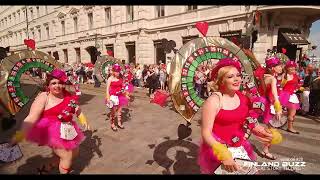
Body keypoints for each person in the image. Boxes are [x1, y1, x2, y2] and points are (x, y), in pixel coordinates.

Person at [198, 58, 276, 174]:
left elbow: (249, 122)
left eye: (238, 75)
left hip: (239, 147)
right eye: (230, 77)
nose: (236, 79)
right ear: (221, 81)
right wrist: (223, 154)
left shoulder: (243, 98)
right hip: (219, 150)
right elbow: (206, 133)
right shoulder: (213, 101)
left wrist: (262, 131)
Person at [10, 69, 90, 174]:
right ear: (48, 85)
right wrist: (20, 135)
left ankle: (44, 168)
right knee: (67, 156)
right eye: (54, 83)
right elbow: (31, 118)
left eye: (60, 83)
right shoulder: (44, 97)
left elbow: (77, 110)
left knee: (74, 153)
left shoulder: (68, 95)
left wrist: (83, 120)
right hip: (51, 131)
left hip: (68, 129)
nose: (57, 86)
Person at [255, 57, 283, 160]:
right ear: (272, 68)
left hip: (258, 101)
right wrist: (278, 108)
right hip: (266, 103)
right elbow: (275, 95)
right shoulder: (272, 78)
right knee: (271, 129)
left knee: (248, 125)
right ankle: (265, 151)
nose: (281, 68)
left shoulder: (261, 75)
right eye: (279, 66)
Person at [279, 61, 302, 134]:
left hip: (293, 95)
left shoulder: (295, 75)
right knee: (291, 113)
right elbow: (281, 86)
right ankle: (290, 127)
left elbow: (299, 83)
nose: (292, 68)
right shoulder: (285, 75)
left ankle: (289, 126)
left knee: (292, 114)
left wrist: (298, 87)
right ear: (287, 68)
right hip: (286, 95)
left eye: (293, 66)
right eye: (290, 66)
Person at [105, 64, 129, 131]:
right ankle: (112, 124)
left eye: (118, 71)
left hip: (120, 96)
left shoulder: (121, 78)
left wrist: (125, 94)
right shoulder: (110, 78)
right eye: (116, 71)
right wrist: (108, 99)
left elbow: (123, 87)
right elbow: (107, 90)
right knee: (113, 112)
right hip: (112, 97)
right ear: (113, 71)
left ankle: (119, 123)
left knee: (119, 111)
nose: (117, 73)